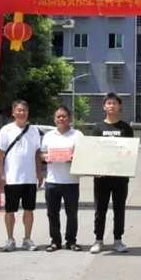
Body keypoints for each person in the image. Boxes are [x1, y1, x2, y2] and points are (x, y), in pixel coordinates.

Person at [90, 92, 135, 254]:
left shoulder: (126, 128)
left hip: (120, 177)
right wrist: (95, 169)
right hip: (101, 177)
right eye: (109, 103)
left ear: (119, 106)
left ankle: (118, 240)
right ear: (104, 106)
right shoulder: (98, 128)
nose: (112, 106)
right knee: (100, 209)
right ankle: (98, 240)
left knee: (119, 209)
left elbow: (130, 151)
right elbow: (94, 152)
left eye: (115, 103)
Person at [0, 100, 43, 252]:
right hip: (12, 177)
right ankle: (10, 239)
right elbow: (0, 154)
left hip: (29, 177)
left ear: (28, 112)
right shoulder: (6, 130)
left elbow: (37, 153)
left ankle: (27, 239)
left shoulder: (34, 130)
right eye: (19, 110)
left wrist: (39, 173)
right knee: (10, 210)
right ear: (13, 112)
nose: (21, 113)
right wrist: (1, 174)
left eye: (24, 110)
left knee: (29, 209)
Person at [40, 105, 84, 252]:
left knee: (71, 214)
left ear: (69, 118)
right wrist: (45, 157)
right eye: (58, 117)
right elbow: (41, 154)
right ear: (54, 119)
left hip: (71, 181)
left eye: (64, 116)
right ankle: (55, 241)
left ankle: (71, 241)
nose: (61, 119)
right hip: (52, 181)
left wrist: (75, 157)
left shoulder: (77, 135)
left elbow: (84, 154)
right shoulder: (48, 136)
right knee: (52, 214)